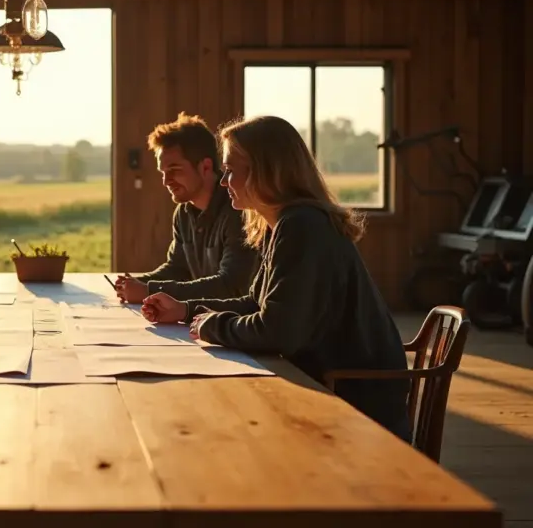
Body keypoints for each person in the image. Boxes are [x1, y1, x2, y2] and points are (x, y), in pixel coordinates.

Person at [141, 115, 412, 442]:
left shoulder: (302, 226)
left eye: (230, 171)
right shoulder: (280, 225)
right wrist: (185, 310)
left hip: (353, 402)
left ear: (264, 171)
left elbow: (279, 332)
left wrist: (212, 326)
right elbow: (254, 303)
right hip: (321, 382)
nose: (224, 181)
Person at [114, 112, 257, 304]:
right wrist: (136, 282)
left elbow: (230, 285)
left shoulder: (238, 210)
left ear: (205, 167)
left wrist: (149, 290)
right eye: (162, 173)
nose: (166, 181)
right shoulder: (183, 213)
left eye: (174, 170)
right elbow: (178, 269)